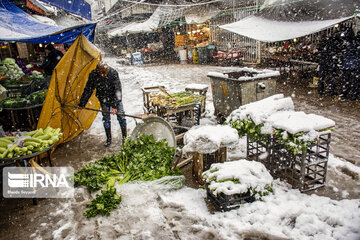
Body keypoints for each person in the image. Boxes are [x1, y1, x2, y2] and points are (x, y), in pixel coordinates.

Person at [78, 61, 127, 147]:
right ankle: (109, 140)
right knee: (106, 119)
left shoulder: (113, 73)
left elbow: (118, 90)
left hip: (115, 99)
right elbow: (88, 89)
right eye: (102, 74)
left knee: (121, 117)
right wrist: (82, 103)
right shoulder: (93, 75)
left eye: (105, 74)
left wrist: (115, 106)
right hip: (103, 99)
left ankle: (125, 139)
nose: (104, 75)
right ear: (97, 71)